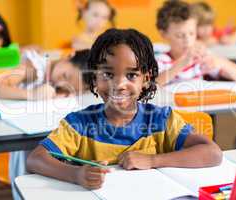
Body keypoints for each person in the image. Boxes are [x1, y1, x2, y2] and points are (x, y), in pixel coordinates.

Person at [26, 28, 222, 190]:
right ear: (94, 78)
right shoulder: (79, 124)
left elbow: (212, 153)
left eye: (131, 75)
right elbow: (35, 159)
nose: (119, 84)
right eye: (108, 74)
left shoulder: (161, 120)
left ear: (146, 79)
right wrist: (76, 174)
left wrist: (153, 160)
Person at [155, 0, 236, 86]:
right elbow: (153, 85)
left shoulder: (199, 58)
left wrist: (220, 62)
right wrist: (182, 63)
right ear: (164, 34)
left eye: (192, 33)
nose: (187, 40)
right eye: (179, 35)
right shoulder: (161, 61)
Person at [0, 49, 90, 100]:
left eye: (68, 87)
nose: (60, 84)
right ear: (69, 56)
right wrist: (32, 94)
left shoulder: (62, 85)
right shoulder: (34, 68)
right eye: (65, 76)